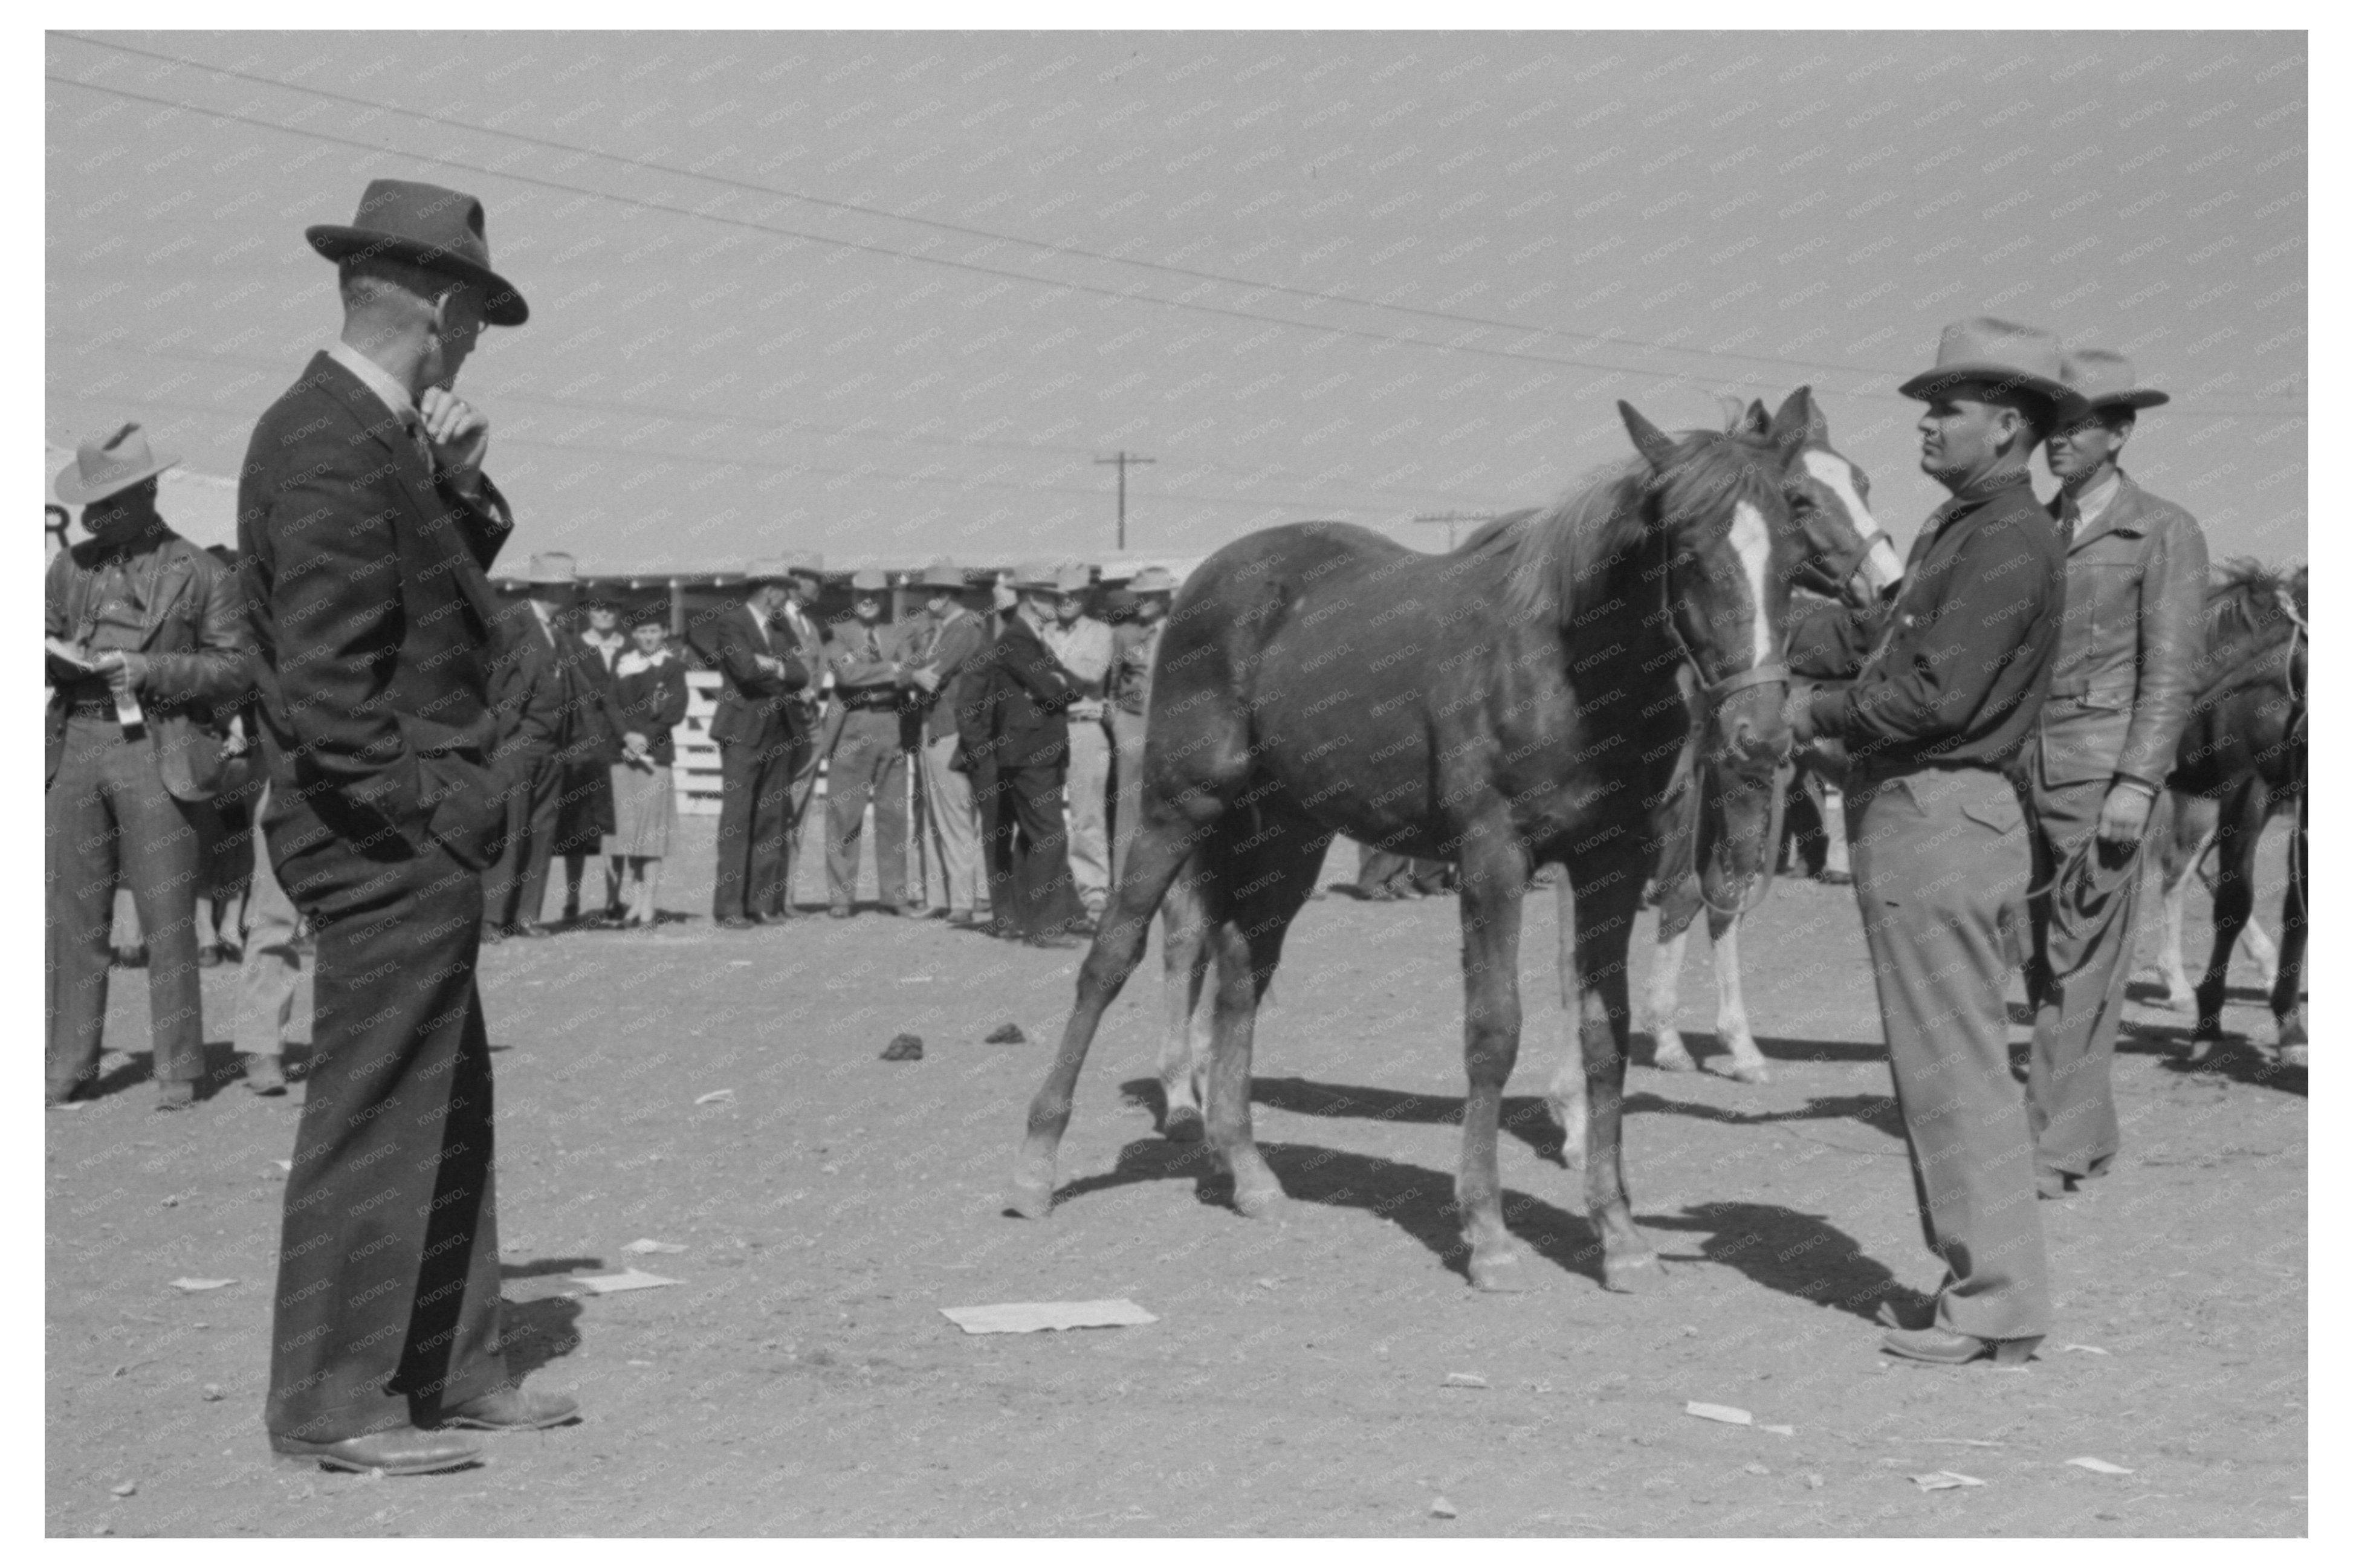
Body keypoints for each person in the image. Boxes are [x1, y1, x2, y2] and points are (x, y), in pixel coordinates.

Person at [241, 178, 575, 1474]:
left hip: (400, 824)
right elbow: (328, 684)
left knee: (444, 1101)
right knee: (378, 1109)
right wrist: (432, 811)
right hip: (382, 833)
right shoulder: (328, 438)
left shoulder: (371, 436)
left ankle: (445, 1366)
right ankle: (335, 1399)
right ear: (437, 310)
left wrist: (458, 480)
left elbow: (426, 599)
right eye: (477, 316)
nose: (478, 341)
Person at [1784, 318, 2074, 1368]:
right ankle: (1984, 1290)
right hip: (1928, 815)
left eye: (1946, 405)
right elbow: (1876, 636)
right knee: (1941, 1063)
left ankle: (1992, 1301)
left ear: (2006, 425)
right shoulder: (1965, 527)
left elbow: (1929, 692)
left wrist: (1805, 714)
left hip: (1942, 812)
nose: (1926, 417)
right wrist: (1763, 625)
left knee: (1949, 1067)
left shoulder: (2004, 539)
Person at [2022, 350, 2209, 1198]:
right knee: (2038, 960)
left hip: (2101, 777)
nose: (2056, 440)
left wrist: (2137, 781)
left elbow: (2171, 672)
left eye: (2077, 425)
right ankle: (2085, 1136)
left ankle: (2049, 1145)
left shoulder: (2162, 530)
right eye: (2049, 424)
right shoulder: (2028, 528)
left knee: (2086, 958)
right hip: (2017, 774)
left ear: (2119, 433)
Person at [45, 424, 250, 1110]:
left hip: (156, 750)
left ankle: (178, 1070)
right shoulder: (69, 567)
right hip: (75, 744)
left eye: (106, 502)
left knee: (168, 920)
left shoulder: (204, 571)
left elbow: (233, 671)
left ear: (147, 492)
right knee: (75, 920)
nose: (91, 516)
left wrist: (149, 667)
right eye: (90, 503)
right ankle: (68, 1064)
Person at [960, 562, 1085, 947]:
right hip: (1028, 751)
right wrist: (1055, 686)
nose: (1059, 602)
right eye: (1051, 596)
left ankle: (1038, 917)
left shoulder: (1031, 640)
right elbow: (1053, 690)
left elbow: (1074, 685)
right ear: (1032, 600)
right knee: (1048, 834)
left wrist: (1056, 685)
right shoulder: (1017, 641)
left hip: (1033, 750)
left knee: (1035, 837)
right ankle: (1044, 925)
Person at [481, 553, 586, 938]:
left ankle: (526, 915)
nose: (575, 593)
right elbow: (494, 681)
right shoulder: (513, 623)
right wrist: (503, 734)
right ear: (553, 588)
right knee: (509, 830)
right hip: (518, 743)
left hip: (550, 745)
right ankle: (493, 917)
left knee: (540, 830)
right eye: (570, 586)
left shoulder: (556, 632)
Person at [709, 559, 812, 928]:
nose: (788, 595)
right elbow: (745, 671)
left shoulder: (782, 625)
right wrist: (776, 669)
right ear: (770, 590)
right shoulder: (731, 622)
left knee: (770, 819)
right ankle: (730, 908)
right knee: (737, 819)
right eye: (785, 588)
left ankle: (761, 903)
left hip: (778, 731)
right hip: (743, 731)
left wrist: (776, 666)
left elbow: (801, 674)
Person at [905, 561, 993, 925]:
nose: (929, 598)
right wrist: (911, 670)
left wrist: (907, 671)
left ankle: (962, 900)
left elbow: (931, 676)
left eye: (934, 592)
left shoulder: (964, 628)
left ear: (946, 596)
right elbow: (918, 669)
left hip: (951, 728)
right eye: (928, 592)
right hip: (936, 728)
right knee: (936, 818)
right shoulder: (945, 628)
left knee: (954, 817)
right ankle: (941, 897)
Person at [823, 569, 915, 916]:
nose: (868, 601)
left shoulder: (901, 632)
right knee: (844, 813)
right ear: (852, 597)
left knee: (893, 814)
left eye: (875, 595)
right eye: (862, 594)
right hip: (853, 725)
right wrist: (892, 671)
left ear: (886, 598)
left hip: (892, 722)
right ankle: (841, 898)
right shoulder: (838, 632)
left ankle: (895, 895)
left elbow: (910, 671)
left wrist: (892, 671)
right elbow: (847, 675)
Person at [1042, 565, 1116, 924]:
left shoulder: (1101, 632)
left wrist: (1053, 669)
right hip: (1049, 725)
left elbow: (1093, 672)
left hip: (1085, 727)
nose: (1065, 602)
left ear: (1085, 598)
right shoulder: (1045, 631)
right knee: (1047, 813)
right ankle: (1058, 889)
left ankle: (1094, 889)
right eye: (1059, 596)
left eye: (1072, 595)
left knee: (1088, 814)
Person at [607, 603, 690, 927]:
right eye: (642, 632)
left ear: (664, 633)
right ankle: (635, 898)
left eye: (654, 631)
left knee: (651, 835)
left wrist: (645, 737)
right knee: (629, 833)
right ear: (634, 634)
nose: (648, 637)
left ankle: (649, 904)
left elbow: (675, 710)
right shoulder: (621, 662)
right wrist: (626, 735)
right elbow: (611, 702)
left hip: (655, 755)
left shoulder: (672, 667)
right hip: (623, 754)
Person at [557, 595, 629, 925]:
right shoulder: (571, 645)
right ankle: (572, 899)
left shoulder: (629, 647)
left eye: (611, 608)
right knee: (578, 824)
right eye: (599, 608)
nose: (605, 614)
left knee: (617, 824)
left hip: (620, 744)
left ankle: (614, 899)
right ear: (589, 613)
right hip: (582, 743)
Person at [1107, 565, 1174, 893]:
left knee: (1174, 799)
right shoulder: (1124, 633)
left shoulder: (1181, 632)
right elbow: (1112, 682)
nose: (1144, 601)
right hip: (1132, 719)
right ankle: (1123, 880)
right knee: (1129, 799)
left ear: (1166, 597)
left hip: (1171, 722)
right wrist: (1117, 717)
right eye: (1141, 595)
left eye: (1151, 595)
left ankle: (1171, 879)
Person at [775, 554, 836, 910]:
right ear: (795, 579)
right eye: (814, 579)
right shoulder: (774, 623)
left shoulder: (813, 628)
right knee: (777, 807)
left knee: (799, 808)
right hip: (782, 726)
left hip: (810, 727)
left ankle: (787, 895)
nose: (819, 587)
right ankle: (768, 892)